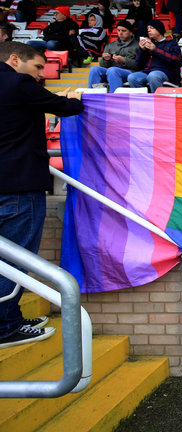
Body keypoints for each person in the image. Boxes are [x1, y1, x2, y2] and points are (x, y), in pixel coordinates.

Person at [0, 41, 82, 349]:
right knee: (15, 260)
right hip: (18, 187)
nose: (40, 74)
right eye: (36, 67)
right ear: (14, 59)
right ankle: (6, 327)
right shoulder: (17, 83)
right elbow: (69, 107)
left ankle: (11, 316)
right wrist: (73, 97)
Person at [128, 20, 182, 92]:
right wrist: (142, 50)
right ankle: (143, 98)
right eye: (148, 28)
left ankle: (157, 98)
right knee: (132, 77)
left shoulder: (171, 43)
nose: (148, 30)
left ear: (159, 30)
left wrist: (155, 50)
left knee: (153, 76)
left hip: (167, 72)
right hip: (148, 72)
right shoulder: (148, 43)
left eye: (151, 28)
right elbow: (138, 64)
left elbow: (178, 61)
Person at [88, 20, 140, 92]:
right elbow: (103, 65)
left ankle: (114, 97)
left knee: (113, 70)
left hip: (130, 73)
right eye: (118, 30)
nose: (120, 33)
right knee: (94, 69)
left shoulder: (138, 46)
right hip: (111, 72)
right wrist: (105, 59)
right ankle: (94, 95)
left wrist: (124, 60)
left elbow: (139, 65)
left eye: (124, 31)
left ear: (131, 33)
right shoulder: (110, 45)